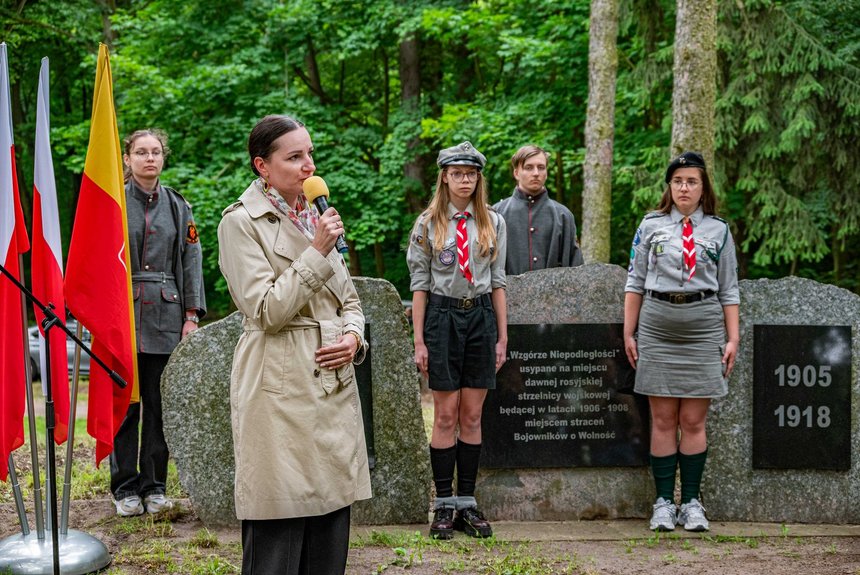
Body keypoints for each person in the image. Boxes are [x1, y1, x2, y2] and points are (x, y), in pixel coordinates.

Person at [217, 114, 371, 574]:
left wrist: (353, 337)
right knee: (279, 526)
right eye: (295, 156)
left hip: (332, 387)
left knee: (330, 525)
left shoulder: (318, 216)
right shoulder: (240, 223)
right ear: (262, 166)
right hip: (278, 390)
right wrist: (316, 251)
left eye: (310, 154)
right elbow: (266, 310)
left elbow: (351, 302)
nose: (309, 166)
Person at [623, 151, 739, 532]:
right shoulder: (651, 226)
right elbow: (635, 280)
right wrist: (629, 331)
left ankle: (690, 501)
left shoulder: (719, 231)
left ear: (703, 188)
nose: (684, 188)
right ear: (669, 187)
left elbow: (729, 289)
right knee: (662, 418)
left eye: (691, 181)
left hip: (703, 328)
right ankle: (663, 503)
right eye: (677, 181)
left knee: (692, 419)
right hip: (658, 326)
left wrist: (733, 337)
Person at [407, 141, 507, 540]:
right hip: (443, 317)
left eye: (471, 174)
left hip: (480, 316)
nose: (464, 180)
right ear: (445, 178)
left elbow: (498, 281)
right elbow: (420, 285)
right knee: (446, 415)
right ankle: (444, 504)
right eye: (457, 174)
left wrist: (502, 337)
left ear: (478, 179)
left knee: (472, 416)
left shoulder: (493, 222)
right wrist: (419, 341)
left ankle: (467, 501)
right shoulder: (428, 223)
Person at [112, 129, 206, 517]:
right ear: (127, 158)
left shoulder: (177, 206)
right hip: (122, 316)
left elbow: (191, 260)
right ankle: (124, 488)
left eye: (155, 152)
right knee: (125, 406)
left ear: (163, 157)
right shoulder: (114, 202)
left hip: (167, 316)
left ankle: (154, 487)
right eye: (141, 152)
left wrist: (191, 315)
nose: (149, 158)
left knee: (158, 406)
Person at [493, 145, 583, 274]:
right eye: (529, 167)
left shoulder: (563, 215)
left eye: (541, 167)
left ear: (546, 172)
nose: (536, 173)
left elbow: (576, 269)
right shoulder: (497, 214)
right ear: (516, 173)